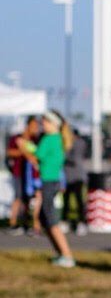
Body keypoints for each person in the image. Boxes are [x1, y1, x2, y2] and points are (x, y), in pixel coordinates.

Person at [18, 111, 75, 267]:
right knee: (45, 219)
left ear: (53, 123)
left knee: (50, 220)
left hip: (49, 182)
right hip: (52, 181)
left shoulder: (49, 139)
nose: (42, 124)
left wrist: (24, 145)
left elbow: (37, 155)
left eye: (45, 121)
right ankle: (61, 254)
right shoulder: (57, 139)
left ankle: (67, 255)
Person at [62, 127, 88, 235]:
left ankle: (81, 223)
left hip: (77, 177)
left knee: (78, 201)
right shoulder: (66, 143)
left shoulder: (78, 143)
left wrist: (62, 154)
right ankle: (65, 222)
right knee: (66, 201)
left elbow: (74, 159)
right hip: (67, 177)